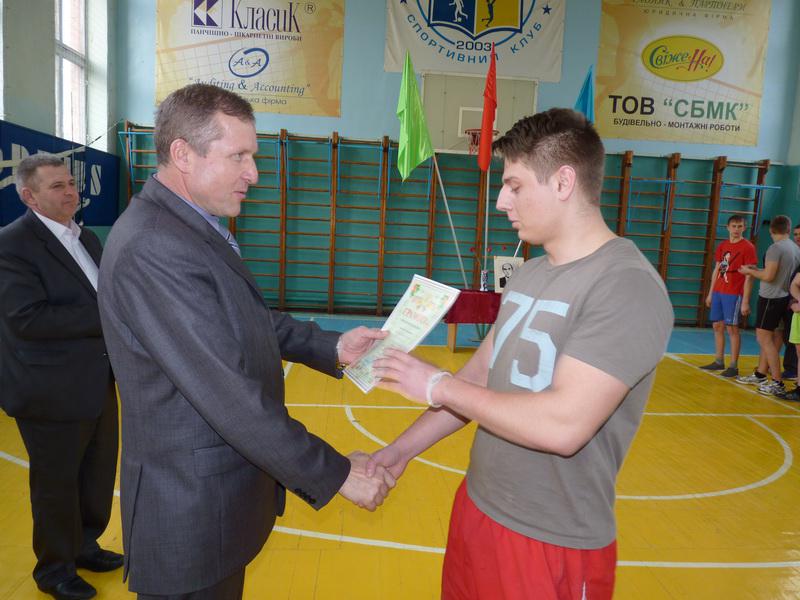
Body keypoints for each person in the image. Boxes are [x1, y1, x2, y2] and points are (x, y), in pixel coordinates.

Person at [97, 84, 394, 599]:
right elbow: (228, 395)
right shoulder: (154, 246)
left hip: (216, 503)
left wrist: (331, 346)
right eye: (239, 156)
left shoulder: (189, 227)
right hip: (189, 514)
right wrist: (337, 473)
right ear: (183, 155)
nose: (253, 173)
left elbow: (244, 318)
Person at [369, 108, 673, 600]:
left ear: (564, 182)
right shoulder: (529, 274)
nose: (500, 201)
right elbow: (477, 378)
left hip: (551, 538)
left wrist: (435, 384)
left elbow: (563, 426)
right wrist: (398, 453)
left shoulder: (626, 286)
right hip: (478, 507)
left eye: (514, 185)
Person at [0, 153, 122, 600]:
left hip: (97, 381)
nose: (71, 191)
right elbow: (27, 319)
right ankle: (54, 570)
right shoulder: (11, 245)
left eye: (71, 183)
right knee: (56, 485)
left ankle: (84, 545)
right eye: (57, 186)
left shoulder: (85, 237)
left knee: (95, 474)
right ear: (29, 196)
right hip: (49, 390)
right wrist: (112, 313)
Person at [737, 215, 800, 396]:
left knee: (764, 339)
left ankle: (777, 382)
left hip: (771, 298)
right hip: (785, 298)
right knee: (773, 338)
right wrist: (758, 270)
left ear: (771, 230)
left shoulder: (775, 248)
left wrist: (749, 272)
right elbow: (779, 273)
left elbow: (769, 276)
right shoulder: (795, 248)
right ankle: (761, 374)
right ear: (788, 229)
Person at [699, 214, 756, 377]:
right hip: (719, 291)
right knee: (717, 326)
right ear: (728, 228)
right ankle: (719, 361)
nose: (736, 229)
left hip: (734, 293)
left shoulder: (748, 247)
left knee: (732, 328)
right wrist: (710, 293)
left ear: (744, 228)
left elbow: (750, 275)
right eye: (734, 226)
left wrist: (745, 301)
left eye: (740, 226)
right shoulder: (723, 246)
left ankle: (733, 366)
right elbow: (719, 269)